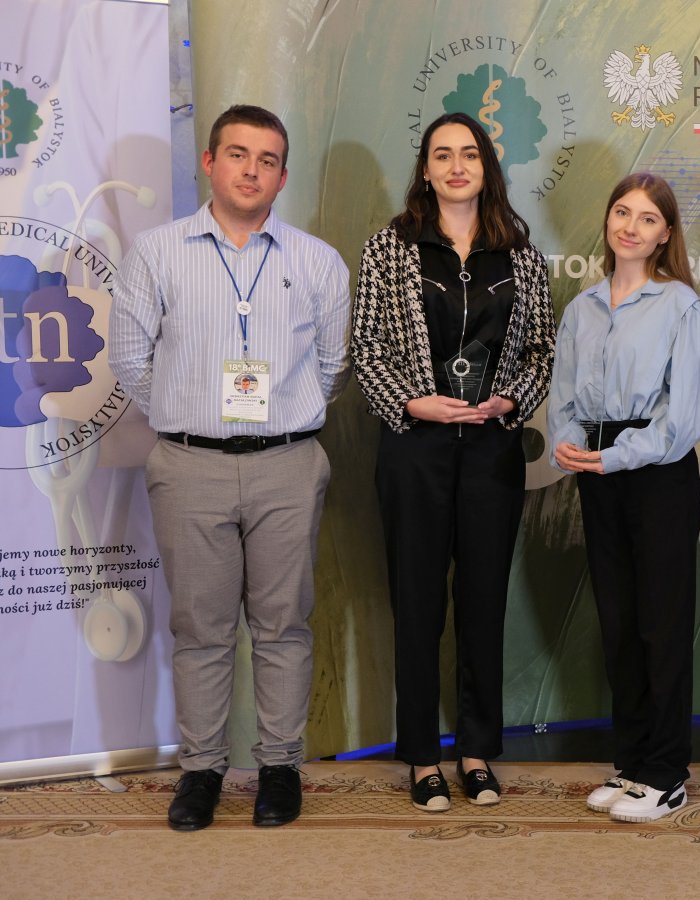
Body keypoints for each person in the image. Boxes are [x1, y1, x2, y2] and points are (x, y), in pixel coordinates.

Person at [109, 104, 351, 831]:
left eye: (267, 159)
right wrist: (188, 415)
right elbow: (131, 359)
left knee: (283, 625)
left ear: (283, 175)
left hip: (288, 463)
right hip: (190, 465)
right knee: (200, 629)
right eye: (238, 155)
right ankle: (202, 771)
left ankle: (279, 768)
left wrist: (281, 417)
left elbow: (331, 366)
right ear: (209, 163)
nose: (252, 170)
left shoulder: (317, 261)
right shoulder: (157, 253)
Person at [352, 111, 554, 813]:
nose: (457, 166)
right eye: (443, 155)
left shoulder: (521, 255)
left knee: (483, 601)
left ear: (487, 167)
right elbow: (367, 350)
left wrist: (512, 400)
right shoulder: (389, 249)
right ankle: (421, 756)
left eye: (469, 154)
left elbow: (541, 351)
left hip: (492, 450)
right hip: (417, 448)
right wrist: (413, 403)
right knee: (416, 602)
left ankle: (475, 752)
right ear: (426, 169)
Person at [549, 173, 700, 824]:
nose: (630, 226)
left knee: (661, 624)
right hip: (596, 474)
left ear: (665, 234)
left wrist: (616, 455)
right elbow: (564, 396)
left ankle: (667, 774)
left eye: (647, 218)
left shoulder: (679, 305)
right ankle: (631, 764)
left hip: (656, 474)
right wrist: (568, 444)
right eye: (622, 212)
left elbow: (688, 412)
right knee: (618, 622)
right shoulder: (582, 308)